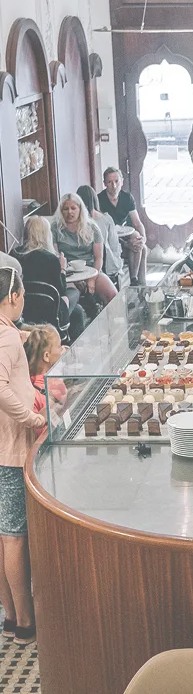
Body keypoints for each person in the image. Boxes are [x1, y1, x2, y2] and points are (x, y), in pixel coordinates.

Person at [0, 269, 46, 646]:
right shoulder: (5, 337)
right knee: (14, 536)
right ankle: (25, 623)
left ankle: (10, 615)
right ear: (12, 295)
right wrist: (32, 417)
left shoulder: (8, 333)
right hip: (9, 447)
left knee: (2, 535)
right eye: (23, 291)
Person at [14, 216, 86, 343]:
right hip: (50, 313)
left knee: (77, 311)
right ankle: (71, 348)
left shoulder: (14, 255)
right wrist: (62, 268)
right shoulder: (51, 259)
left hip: (23, 311)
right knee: (75, 294)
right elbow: (61, 291)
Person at [51, 193, 117, 310]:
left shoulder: (92, 227)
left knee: (113, 295)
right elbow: (55, 256)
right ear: (61, 211)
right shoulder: (55, 228)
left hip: (91, 270)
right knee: (71, 296)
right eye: (66, 209)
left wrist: (91, 279)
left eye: (73, 208)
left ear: (80, 209)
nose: (70, 212)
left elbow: (98, 257)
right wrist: (74, 279)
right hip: (68, 273)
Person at [97, 167, 147, 285]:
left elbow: (137, 222)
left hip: (125, 234)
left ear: (122, 181)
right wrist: (126, 244)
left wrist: (143, 238)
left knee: (139, 242)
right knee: (141, 249)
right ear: (105, 184)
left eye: (116, 181)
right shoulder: (99, 200)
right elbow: (101, 230)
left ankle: (136, 282)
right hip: (108, 239)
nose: (114, 186)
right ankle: (136, 281)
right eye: (110, 182)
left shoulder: (127, 198)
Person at [77, 184, 125, 286]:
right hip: (108, 265)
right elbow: (114, 245)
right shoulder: (106, 218)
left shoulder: (76, 222)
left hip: (84, 264)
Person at [23, 323, 66, 434]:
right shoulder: (50, 384)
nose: (62, 349)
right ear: (46, 356)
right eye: (59, 346)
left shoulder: (27, 383)